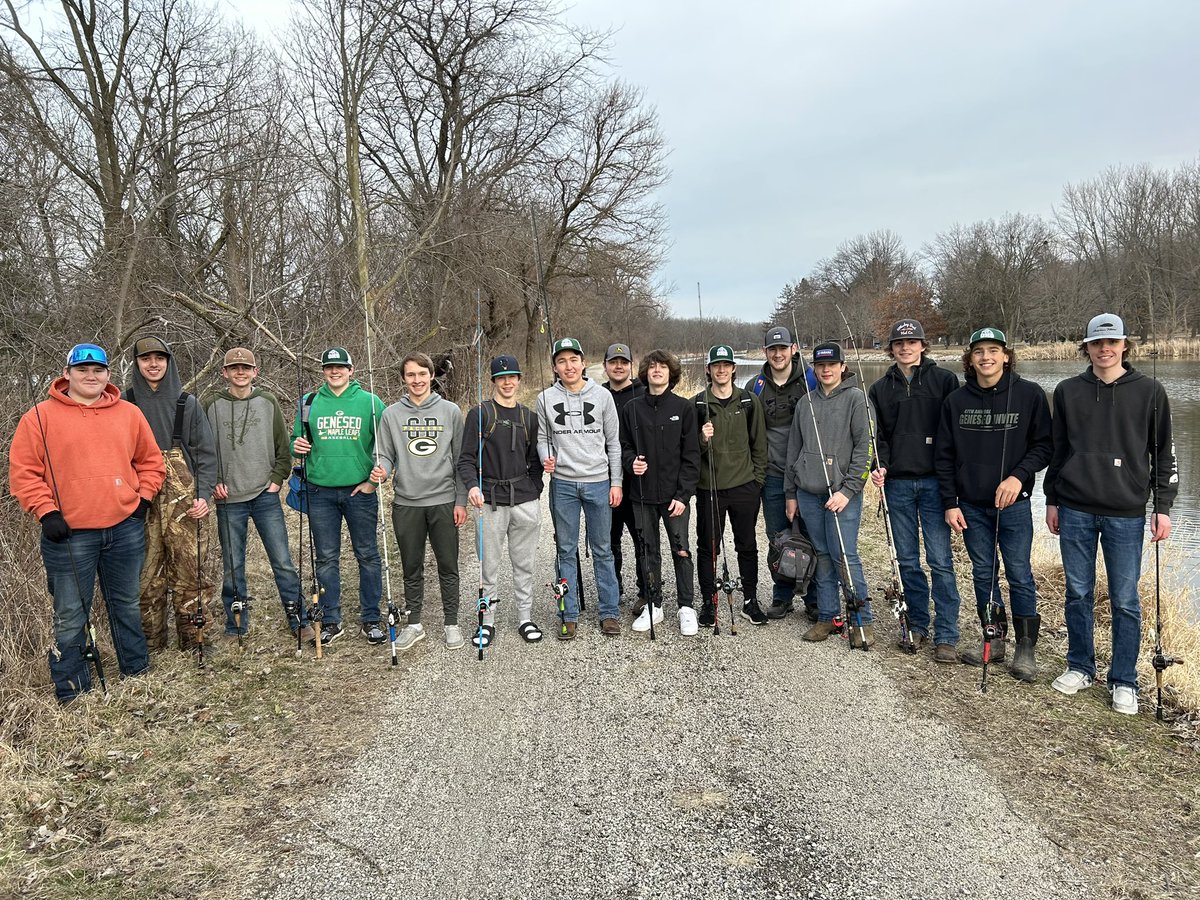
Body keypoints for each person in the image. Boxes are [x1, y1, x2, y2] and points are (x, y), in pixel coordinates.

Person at [9, 343, 166, 702]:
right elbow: (24, 473)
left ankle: (136, 670)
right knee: (69, 614)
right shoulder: (39, 416)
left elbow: (151, 462)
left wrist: (141, 501)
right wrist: (45, 511)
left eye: (98, 370)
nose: (90, 376)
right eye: (82, 370)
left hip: (124, 528)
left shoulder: (129, 414)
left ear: (109, 375)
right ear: (67, 374)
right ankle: (73, 689)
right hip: (68, 534)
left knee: (126, 602)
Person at [1045, 313, 1177, 714]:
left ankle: (1124, 680)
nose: (1105, 350)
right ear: (1086, 347)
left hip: (1127, 513)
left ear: (1124, 346)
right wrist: (1052, 498)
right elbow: (1057, 451)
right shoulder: (1067, 391)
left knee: (1124, 600)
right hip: (1074, 509)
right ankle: (1080, 666)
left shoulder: (1150, 392)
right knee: (1078, 592)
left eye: (1113, 343)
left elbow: (1164, 453)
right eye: (1097, 344)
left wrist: (1163, 508)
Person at [935, 327, 1052, 676]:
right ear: (970, 359)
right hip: (970, 506)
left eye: (993, 350)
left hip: (1014, 506)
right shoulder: (956, 401)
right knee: (983, 574)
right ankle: (994, 639)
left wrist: (1018, 476)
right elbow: (943, 456)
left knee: (1019, 574)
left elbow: (1044, 446)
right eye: (979, 351)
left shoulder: (1029, 395)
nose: (986, 357)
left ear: (1005, 355)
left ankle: (1026, 649)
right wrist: (950, 502)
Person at [868, 319, 962, 662]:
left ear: (923, 345)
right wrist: (880, 466)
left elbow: (954, 434)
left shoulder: (945, 380)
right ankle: (918, 625)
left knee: (940, 560)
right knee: (907, 561)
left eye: (912, 342)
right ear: (891, 348)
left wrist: (953, 482)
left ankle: (947, 634)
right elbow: (878, 438)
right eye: (898, 343)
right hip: (898, 485)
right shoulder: (880, 389)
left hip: (936, 483)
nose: (905, 347)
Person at [203, 347, 311, 644]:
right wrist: (213, 482)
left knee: (283, 561)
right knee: (233, 565)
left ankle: (297, 617)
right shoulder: (210, 404)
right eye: (234, 368)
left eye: (246, 368)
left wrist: (277, 480)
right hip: (228, 500)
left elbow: (283, 446)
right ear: (224, 372)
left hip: (265, 496)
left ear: (255, 372)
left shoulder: (267, 401)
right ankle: (236, 624)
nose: (240, 372)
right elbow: (202, 450)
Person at [126, 336, 218, 652]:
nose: (153, 364)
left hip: (185, 502)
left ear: (169, 362)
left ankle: (194, 639)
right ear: (136, 364)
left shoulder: (186, 403)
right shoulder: (124, 405)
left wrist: (204, 495)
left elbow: (206, 454)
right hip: (140, 502)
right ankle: (150, 643)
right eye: (146, 358)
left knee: (190, 572)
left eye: (160, 358)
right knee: (146, 576)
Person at [372, 351, 468, 651]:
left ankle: (451, 623)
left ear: (431, 376)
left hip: (443, 501)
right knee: (411, 566)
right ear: (403, 378)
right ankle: (414, 624)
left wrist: (461, 501)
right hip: (407, 503)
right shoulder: (390, 415)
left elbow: (461, 460)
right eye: (411, 375)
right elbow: (385, 454)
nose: (417, 380)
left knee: (448, 566)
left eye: (422, 374)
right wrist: (383, 470)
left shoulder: (451, 411)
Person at [291, 347, 385, 647]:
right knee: (327, 558)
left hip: (360, 490)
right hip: (320, 491)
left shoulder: (370, 403)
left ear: (351, 370)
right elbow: (296, 439)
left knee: (367, 554)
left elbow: (385, 446)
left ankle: (371, 617)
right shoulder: (308, 402)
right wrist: (298, 446)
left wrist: (372, 481)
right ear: (323, 371)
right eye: (329, 367)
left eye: (340, 367)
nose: (335, 372)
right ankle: (331, 619)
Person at [784, 342, 874, 645]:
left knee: (844, 556)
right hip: (808, 494)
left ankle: (862, 620)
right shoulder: (804, 403)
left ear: (842, 367)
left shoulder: (857, 400)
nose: (826, 370)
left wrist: (848, 491)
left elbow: (866, 450)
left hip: (841, 497)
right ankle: (828, 616)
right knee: (821, 555)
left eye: (832, 365)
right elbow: (792, 450)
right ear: (814, 369)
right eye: (820, 366)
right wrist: (791, 493)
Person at [536, 337, 623, 639]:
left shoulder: (602, 397)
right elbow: (542, 437)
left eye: (574, 359)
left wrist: (616, 482)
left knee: (603, 550)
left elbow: (613, 443)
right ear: (555, 367)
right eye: (562, 361)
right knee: (565, 550)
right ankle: (568, 613)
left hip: (598, 482)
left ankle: (609, 611)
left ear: (584, 363)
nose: (568, 366)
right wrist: (545, 456)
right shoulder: (544, 398)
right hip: (563, 484)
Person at [456, 354, 544, 647]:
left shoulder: (528, 417)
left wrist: (535, 489)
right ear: (493, 381)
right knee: (488, 566)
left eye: (512, 377)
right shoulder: (479, 414)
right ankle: (487, 621)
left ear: (519, 380)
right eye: (501, 378)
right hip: (490, 501)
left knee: (524, 563)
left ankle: (525, 617)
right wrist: (472, 486)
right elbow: (466, 459)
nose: (507, 382)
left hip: (524, 501)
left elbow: (536, 462)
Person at [619, 349, 700, 635]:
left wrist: (683, 495)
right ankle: (654, 604)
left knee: (681, 550)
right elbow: (624, 447)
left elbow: (692, 456)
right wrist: (631, 463)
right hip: (641, 495)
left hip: (674, 497)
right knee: (647, 550)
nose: (657, 371)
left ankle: (686, 606)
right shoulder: (631, 409)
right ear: (645, 373)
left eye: (662, 367)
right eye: (652, 366)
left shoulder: (684, 408)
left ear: (671, 373)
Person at [693, 344, 769, 627]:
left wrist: (757, 482)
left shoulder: (749, 402)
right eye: (716, 365)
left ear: (734, 368)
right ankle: (708, 602)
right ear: (709, 369)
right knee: (707, 546)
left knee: (747, 545)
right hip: (708, 488)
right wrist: (702, 439)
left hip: (744, 487)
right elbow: (689, 451)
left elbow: (759, 445)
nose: (722, 369)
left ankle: (750, 601)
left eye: (726, 364)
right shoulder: (697, 404)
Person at [749, 325, 818, 621]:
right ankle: (783, 595)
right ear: (765, 352)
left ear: (793, 349)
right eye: (772, 349)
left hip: (810, 477)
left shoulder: (812, 379)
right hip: (774, 475)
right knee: (778, 539)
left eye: (783, 348)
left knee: (812, 538)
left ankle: (815, 598)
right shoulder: (755, 386)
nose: (778, 354)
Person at [602, 342, 647, 611]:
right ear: (605, 365)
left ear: (631, 364)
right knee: (609, 541)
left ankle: (646, 591)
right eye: (613, 361)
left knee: (642, 539)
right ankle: (613, 589)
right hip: (605, 481)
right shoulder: (596, 395)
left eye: (624, 361)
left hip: (637, 481)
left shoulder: (643, 392)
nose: (618, 366)